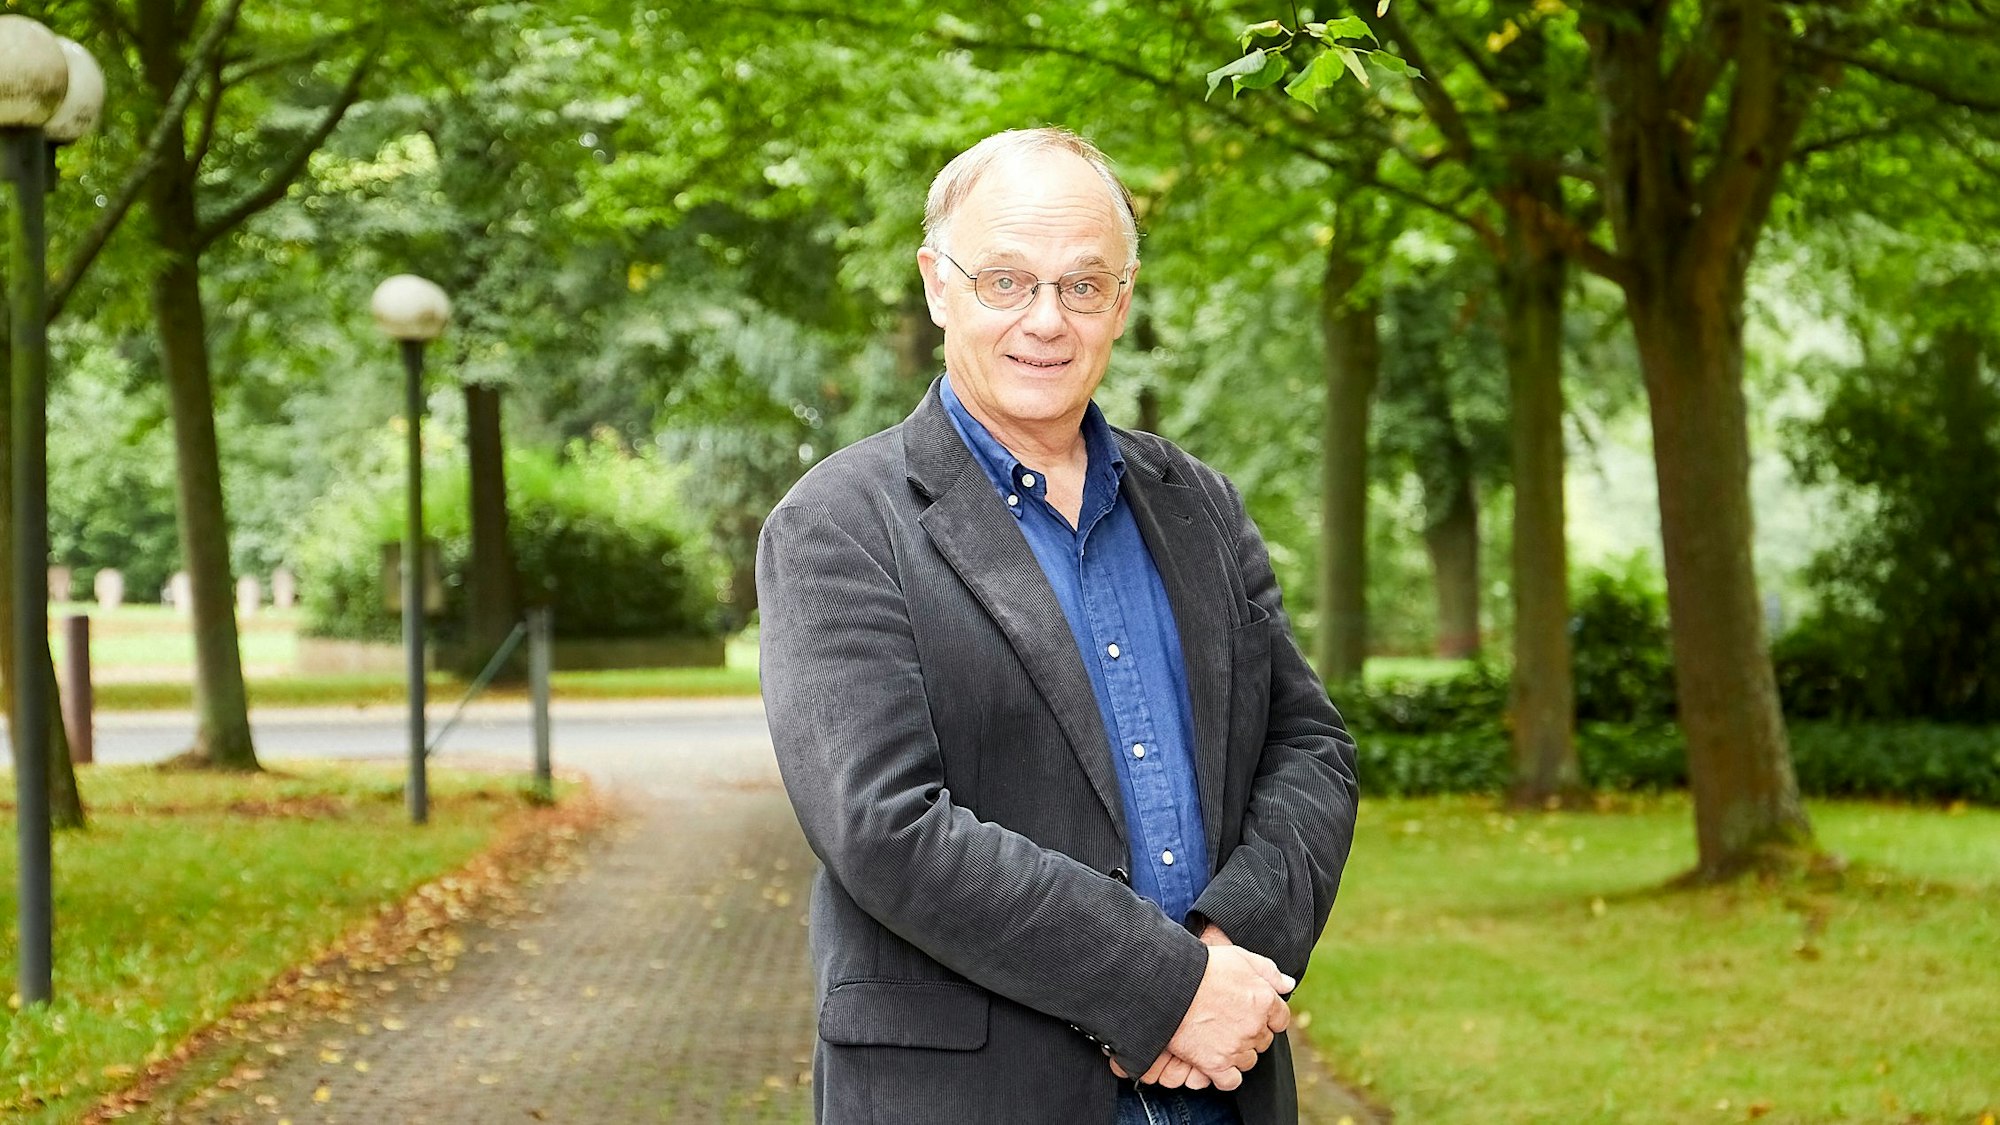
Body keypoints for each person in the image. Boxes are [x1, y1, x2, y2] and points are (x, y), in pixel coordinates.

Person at [757, 126, 1359, 1125]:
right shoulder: (838, 524)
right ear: (936, 284)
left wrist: (1225, 952)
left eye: (1081, 286)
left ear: (1119, 302)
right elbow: (884, 826)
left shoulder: (1196, 504)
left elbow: (1308, 747)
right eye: (1004, 280)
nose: (1045, 320)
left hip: (1218, 1092)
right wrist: (1161, 990)